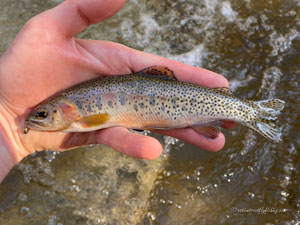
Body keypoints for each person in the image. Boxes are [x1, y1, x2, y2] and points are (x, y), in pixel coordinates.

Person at [0, 0, 234, 183]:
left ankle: (247, 112)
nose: (36, 118)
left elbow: (100, 120)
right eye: (41, 115)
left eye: (43, 115)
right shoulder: (71, 106)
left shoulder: (81, 116)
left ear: (66, 110)